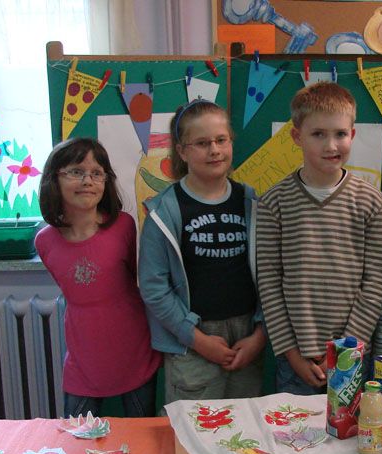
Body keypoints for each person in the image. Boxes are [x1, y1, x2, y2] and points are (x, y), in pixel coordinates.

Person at [257, 82, 382, 395]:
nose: (331, 145)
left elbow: (376, 282)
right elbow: (269, 284)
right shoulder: (274, 202)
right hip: (296, 361)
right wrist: (293, 354)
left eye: (340, 134)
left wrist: (346, 352)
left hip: (353, 356)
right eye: (318, 134)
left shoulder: (372, 201)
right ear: (297, 136)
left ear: (352, 135)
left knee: (354, 428)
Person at [138, 99, 265, 407]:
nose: (214, 150)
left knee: (245, 427)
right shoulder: (164, 211)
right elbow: (154, 287)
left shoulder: (251, 203)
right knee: (194, 429)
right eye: (202, 143)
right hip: (192, 341)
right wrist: (198, 340)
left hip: (246, 339)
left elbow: (271, 274)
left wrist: (260, 335)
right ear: (182, 151)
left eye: (222, 140)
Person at [36, 137, 161, 417]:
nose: (88, 181)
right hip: (83, 359)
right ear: (54, 179)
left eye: (97, 173)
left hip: (135, 351)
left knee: (141, 432)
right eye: (76, 172)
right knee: (78, 435)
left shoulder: (125, 226)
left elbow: (133, 279)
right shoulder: (44, 241)